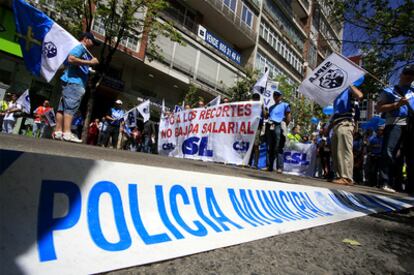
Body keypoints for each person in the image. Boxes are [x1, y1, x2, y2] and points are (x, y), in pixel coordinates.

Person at [53, 32, 99, 143]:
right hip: (74, 82)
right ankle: (67, 132)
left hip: (69, 80)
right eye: (92, 41)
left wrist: (87, 69)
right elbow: (71, 59)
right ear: (86, 39)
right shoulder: (80, 47)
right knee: (71, 107)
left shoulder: (78, 48)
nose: (93, 45)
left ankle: (58, 131)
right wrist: (90, 62)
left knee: (62, 107)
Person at [376, 65, 414, 193]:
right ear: (401, 74)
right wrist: (397, 104)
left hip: (411, 125)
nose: (409, 76)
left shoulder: (413, 91)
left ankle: (406, 185)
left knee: (409, 156)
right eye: (407, 73)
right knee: (389, 152)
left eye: (412, 74)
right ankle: (385, 182)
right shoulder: (389, 90)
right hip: (395, 123)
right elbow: (379, 108)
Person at [328, 85, 364, 185]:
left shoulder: (349, 89)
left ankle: (347, 177)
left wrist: (349, 84)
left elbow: (360, 95)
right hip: (337, 124)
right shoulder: (338, 93)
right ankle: (340, 176)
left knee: (344, 151)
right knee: (336, 152)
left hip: (346, 123)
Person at [265, 90, 291, 173]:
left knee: (278, 147)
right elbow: (267, 116)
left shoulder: (285, 105)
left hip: (279, 126)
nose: (276, 96)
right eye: (274, 95)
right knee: (270, 147)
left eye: (278, 95)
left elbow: (288, 117)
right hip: (270, 126)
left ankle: (280, 167)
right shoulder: (270, 107)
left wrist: (284, 126)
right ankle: (269, 166)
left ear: (281, 96)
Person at [249, 93, 264, 168]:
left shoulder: (260, 105)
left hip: (257, 127)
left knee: (256, 145)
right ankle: (248, 162)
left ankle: (255, 164)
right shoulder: (250, 105)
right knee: (249, 145)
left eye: (256, 99)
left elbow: (263, 116)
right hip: (250, 126)